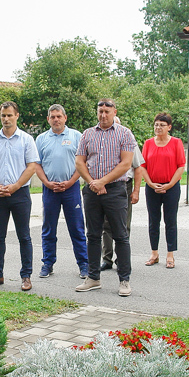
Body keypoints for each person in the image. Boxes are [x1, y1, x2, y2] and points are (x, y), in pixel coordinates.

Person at [75, 99, 137, 297]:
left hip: (116, 190)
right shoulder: (87, 134)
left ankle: (124, 280)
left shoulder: (124, 133)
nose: (103, 115)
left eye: (107, 111)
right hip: (91, 190)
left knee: (120, 235)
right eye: (100, 111)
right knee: (93, 234)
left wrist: (102, 182)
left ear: (114, 112)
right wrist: (93, 182)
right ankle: (93, 277)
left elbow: (126, 164)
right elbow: (79, 161)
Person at [0, 101, 39, 292]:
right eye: (3, 115)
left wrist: (15, 186)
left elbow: (31, 167)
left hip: (19, 193)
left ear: (17, 116)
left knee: (24, 236)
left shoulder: (26, 140)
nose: (6, 119)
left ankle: (26, 276)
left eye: (9, 115)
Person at [35, 104, 88, 279]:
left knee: (77, 228)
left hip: (71, 189)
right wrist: (47, 183)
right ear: (48, 119)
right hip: (50, 190)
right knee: (49, 228)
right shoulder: (41, 139)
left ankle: (84, 264)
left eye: (59, 116)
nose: (56, 119)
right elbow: (37, 165)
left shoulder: (77, 136)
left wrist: (71, 181)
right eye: (52, 117)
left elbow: (82, 163)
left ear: (65, 118)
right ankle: (48, 263)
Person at [141, 112, 186, 269]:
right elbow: (142, 166)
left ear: (169, 127)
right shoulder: (148, 143)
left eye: (162, 125)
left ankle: (170, 254)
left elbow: (181, 166)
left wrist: (169, 184)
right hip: (152, 187)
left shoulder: (176, 143)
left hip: (171, 187)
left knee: (170, 220)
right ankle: (154, 253)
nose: (158, 127)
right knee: (153, 221)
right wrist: (151, 183)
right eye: (156, 125)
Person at [101, 116, 143, 272]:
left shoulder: (128, 140)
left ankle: (121, 259)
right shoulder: (101, 140)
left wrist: (136, 191)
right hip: (105, 186)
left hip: (124, 185)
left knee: (123, 224)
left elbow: (138, 167)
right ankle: (106, 258)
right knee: (105, 224)